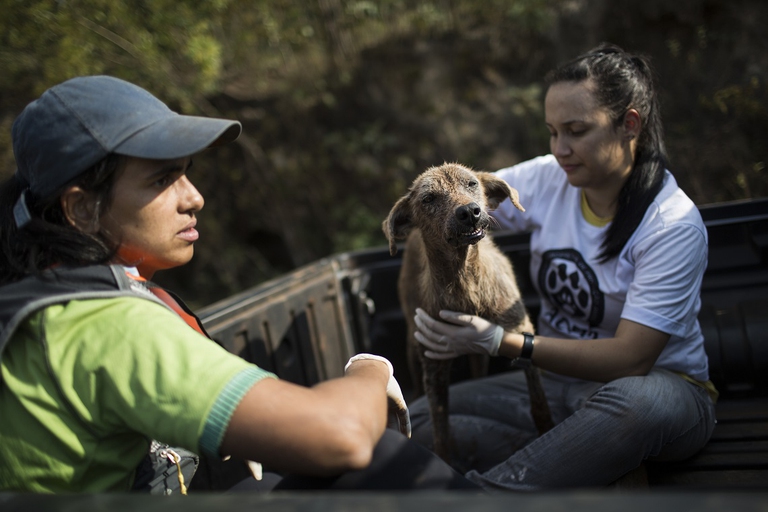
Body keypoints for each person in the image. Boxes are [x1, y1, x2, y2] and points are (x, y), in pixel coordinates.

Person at [0, 75, 477, 493]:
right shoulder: (104, 324)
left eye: (187, 173)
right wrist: (370, 370)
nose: (195, 198)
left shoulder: (43, 298)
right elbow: (344, 436)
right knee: (385, 459)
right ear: (81, 208)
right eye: (163, 180)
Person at [409, 43, 718, 490]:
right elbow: (461, 201)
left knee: (636, 405)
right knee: (417, 416)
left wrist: (505, 342)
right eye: (552, 132)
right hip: (558, 384)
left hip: (656, 388)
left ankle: (486, 495)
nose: (560, 149)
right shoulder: (553, 175)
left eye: (576, 130)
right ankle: (581, 461)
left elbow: (632, 358)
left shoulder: (671, 224)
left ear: (629, 125)